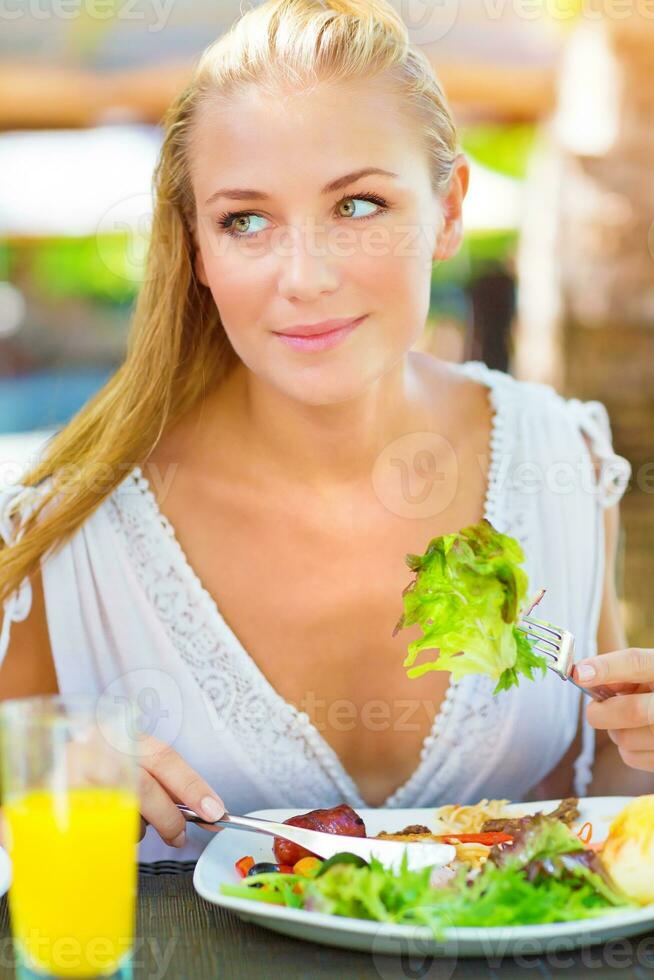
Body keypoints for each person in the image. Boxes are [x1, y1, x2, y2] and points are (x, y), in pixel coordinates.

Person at [0, 0, 651, 863]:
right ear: (196, 246)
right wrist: (41, 785)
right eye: (247, 220)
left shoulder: (560, 459)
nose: (304, 277)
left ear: (449, 208)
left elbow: (602, 795)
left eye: (358, 205)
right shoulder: (73, 523)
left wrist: (641, 751)